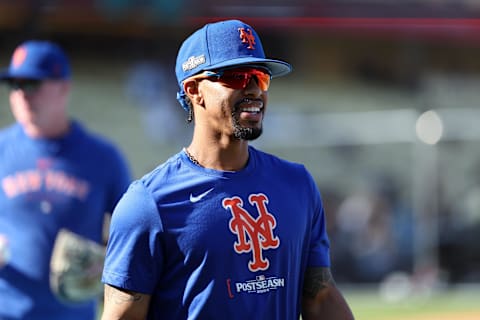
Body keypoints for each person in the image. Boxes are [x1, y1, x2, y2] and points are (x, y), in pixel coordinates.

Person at [101, 19, 355, 320]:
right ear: (194, 90)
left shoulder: (297, 184)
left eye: (260, 78)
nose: (253, 90)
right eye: (236, 77)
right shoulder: (148, 204)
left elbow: (319, 298)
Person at [0, 40, 132, 319]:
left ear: (63, 88)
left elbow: (132, 235)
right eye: (16, 85)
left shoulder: (103, 158)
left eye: (33, 84)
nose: (23, 94)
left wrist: (107, 264)